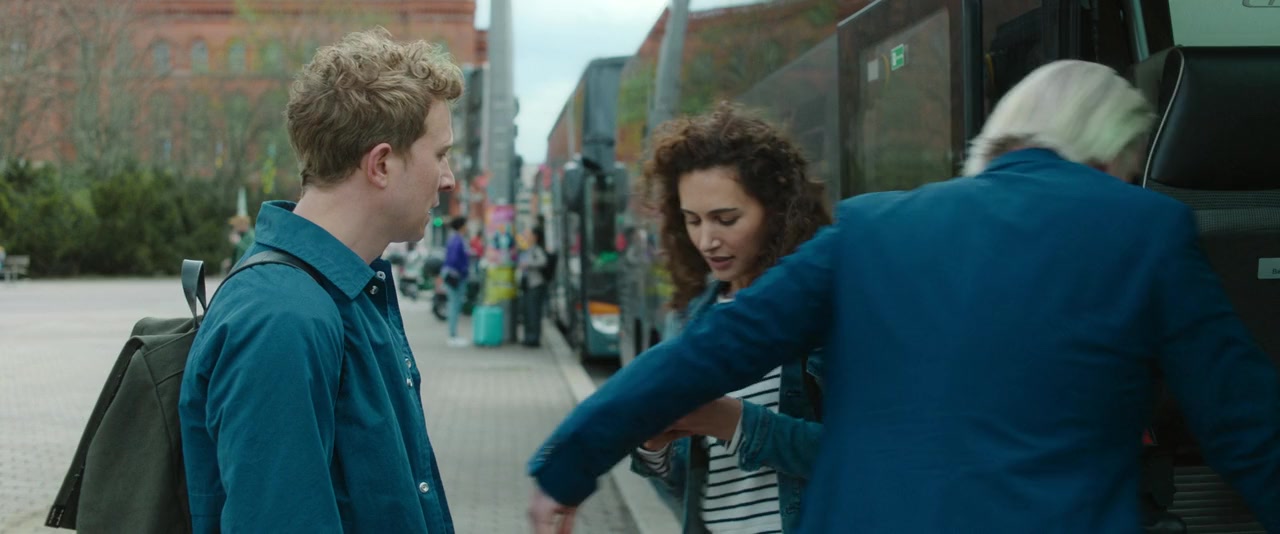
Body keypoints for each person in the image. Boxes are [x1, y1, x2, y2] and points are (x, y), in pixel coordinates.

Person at [527, 59, 1280, 533]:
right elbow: (1246, 426)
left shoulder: (870, 229)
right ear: (1113, 153)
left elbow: (703, 355)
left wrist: (568, 468)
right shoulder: (1145, 227)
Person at [179, 28, 463, 533]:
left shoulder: (339, 293)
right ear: (381, 163)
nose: (449, 178)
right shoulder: (281, 317)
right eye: (440, 154)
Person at [628, 104, 829, 533]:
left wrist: (732, 421)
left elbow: (861, 455)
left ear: (776, 211)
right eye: (692, 221)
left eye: (725, 219)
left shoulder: (820, 310)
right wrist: (652, 443)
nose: (706, 240)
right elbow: (686, 485)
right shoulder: (692, 318)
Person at [519, 229, 550, 347]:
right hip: (528, 285)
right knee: (528, 313)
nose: (527, 237)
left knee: (534, 313)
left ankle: (534, 339)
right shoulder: (529, 249)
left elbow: (543, 261)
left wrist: (528, 264)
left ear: (535, 237)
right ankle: (528, 337)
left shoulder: (537, 249)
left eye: (530, 235)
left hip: (535, 285)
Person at [442, 216, 470, 347]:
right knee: (454, 305)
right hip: (456, 276)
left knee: (453, 305)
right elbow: (455, 260)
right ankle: (452, 335)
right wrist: (463, 270)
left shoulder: (453, 239)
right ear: (461, 226)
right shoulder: (458, 240)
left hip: (452, 275)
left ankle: (453, 334)